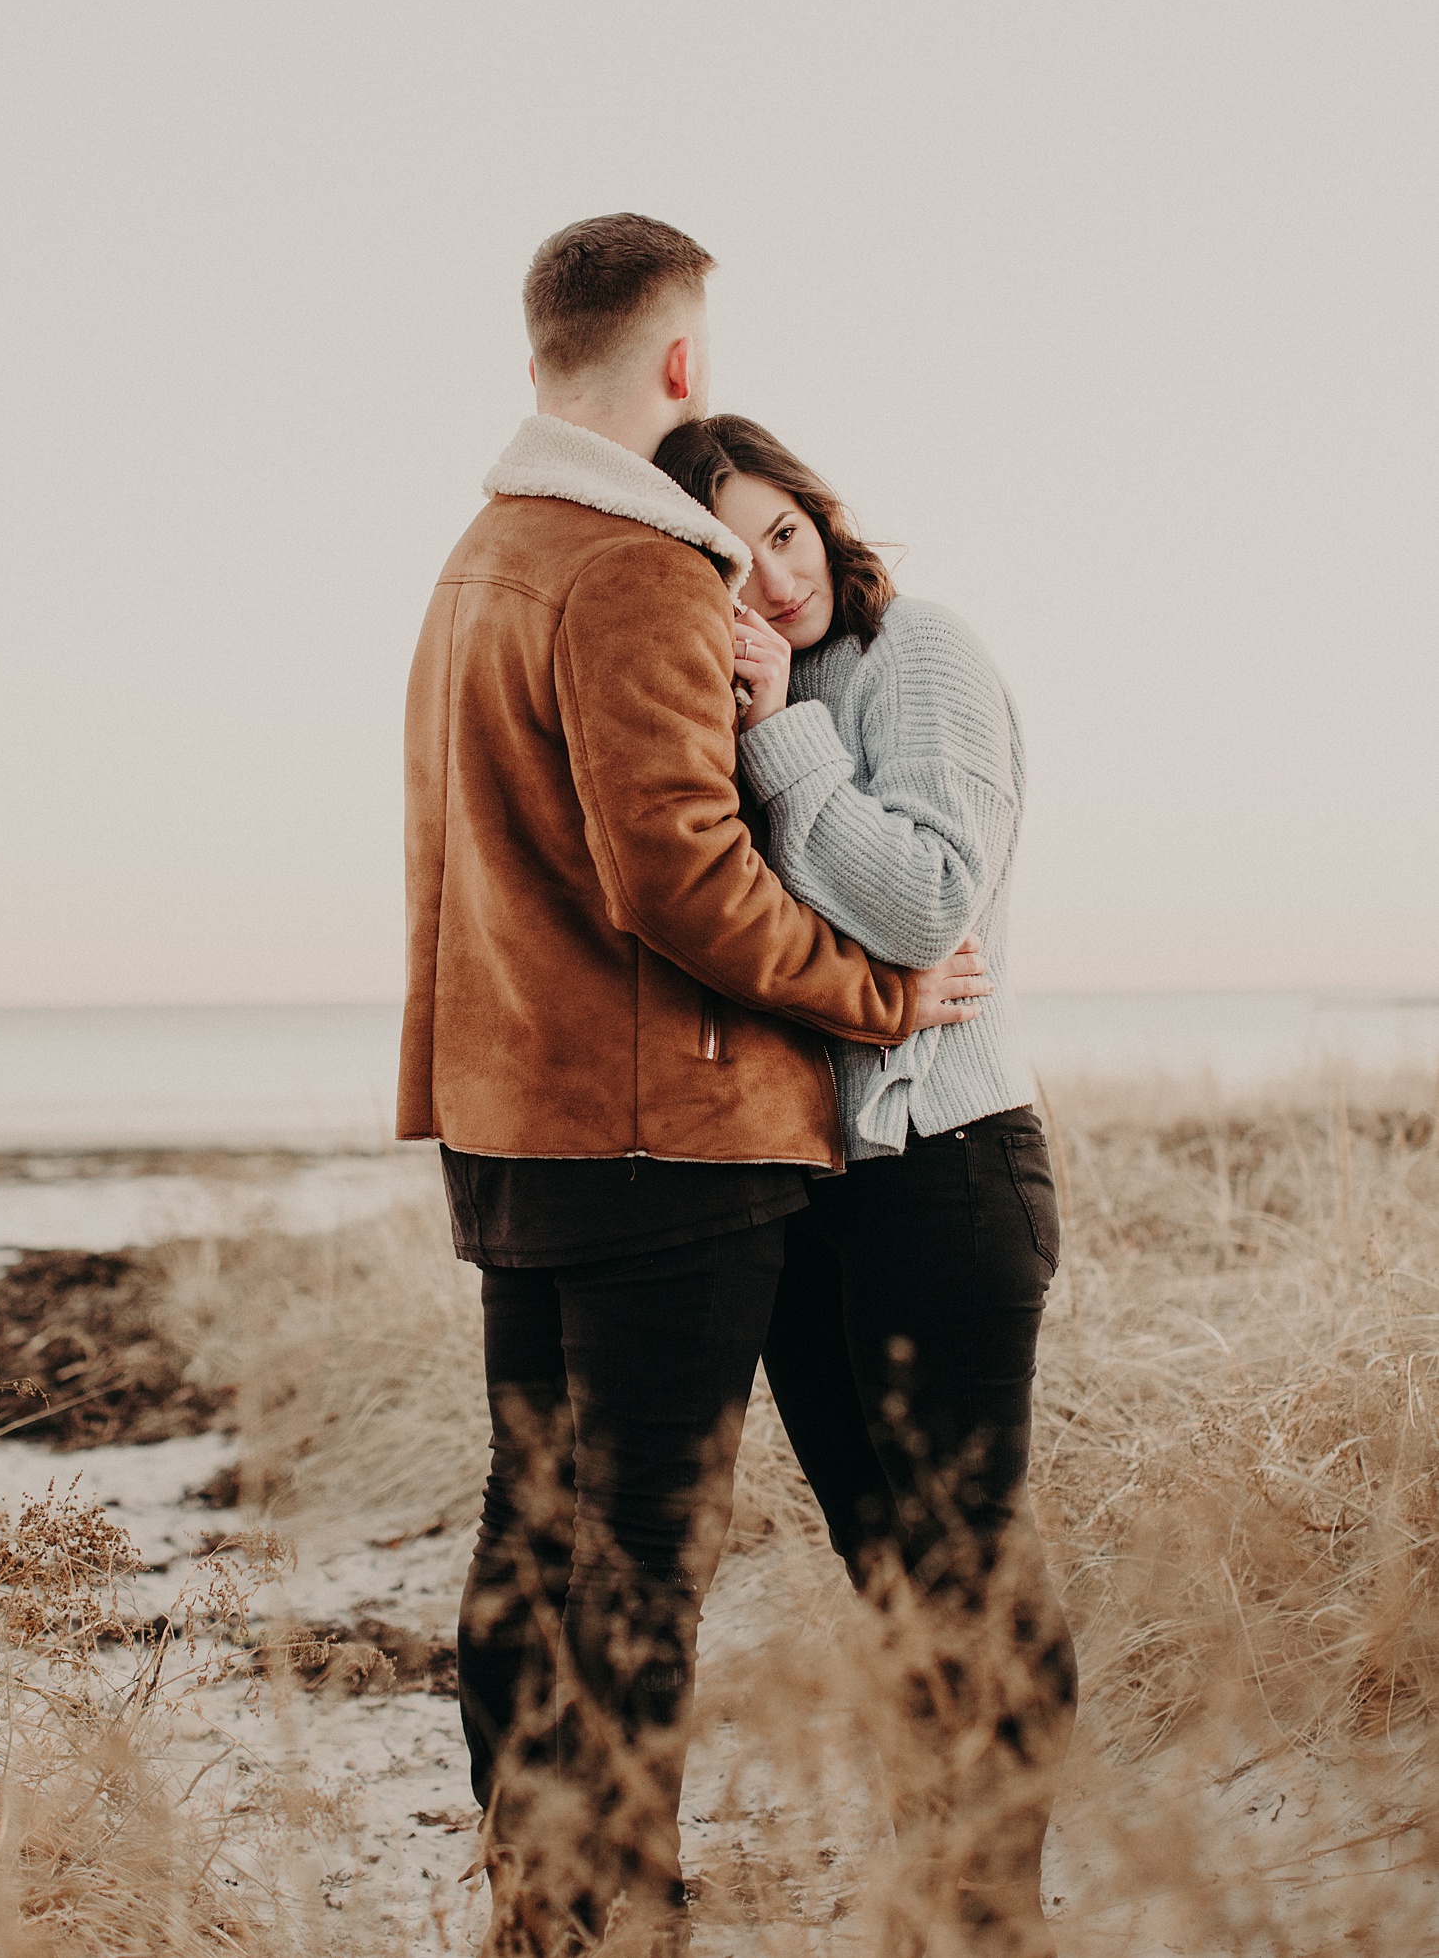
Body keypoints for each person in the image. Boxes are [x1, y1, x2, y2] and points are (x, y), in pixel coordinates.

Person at [397, 216, 984, 1955]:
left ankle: (542, 1908)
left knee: (528, 1549)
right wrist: (874, 990)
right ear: (678, 366)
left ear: (535, 355)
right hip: (667, 1151)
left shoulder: (473, 562)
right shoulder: (643, 562)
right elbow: (683, 877)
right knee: (638, 1570)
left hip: (512, 1137)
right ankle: (607, 1923)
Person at [653, 413, 1078, 1958]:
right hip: (816, 1197)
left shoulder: (922, 656)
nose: (770, 580)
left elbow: (925, 901)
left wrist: (783, 738)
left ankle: (988, 1914)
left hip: (950, 1175)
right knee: (888, 1568)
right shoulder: (737, 696)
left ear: (819, 511)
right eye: (729, 557)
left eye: (782, 530)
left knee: (964, 1563)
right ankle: (936, 1882)